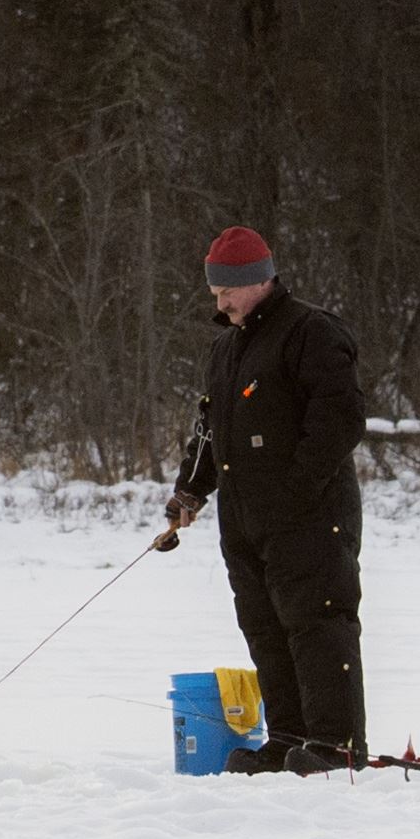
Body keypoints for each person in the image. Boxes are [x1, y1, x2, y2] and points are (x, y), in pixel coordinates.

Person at [159, 224, 367, 771]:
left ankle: (334, 744)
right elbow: (211, 429)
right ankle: (287, 738)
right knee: (265, 627)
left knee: (316, 623)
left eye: (227, 291)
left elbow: (340, 419)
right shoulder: (226, 348)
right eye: (215, 292)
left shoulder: (311, 332)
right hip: (245, 520)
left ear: (259, 281)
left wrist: (296, 491)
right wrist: (190, 490)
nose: (220, 303)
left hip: (310, 515)